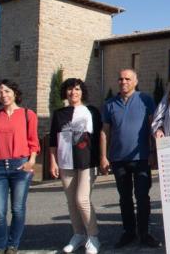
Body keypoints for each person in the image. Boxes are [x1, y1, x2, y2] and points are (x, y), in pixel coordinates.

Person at [100, 69, 161, 248]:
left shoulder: (145, 100)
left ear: (135, 81)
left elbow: (153, 126)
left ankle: (144, 233)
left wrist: (153, 152)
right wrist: (103, 156)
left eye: (127, 79)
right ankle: (129, 232)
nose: (123, 82)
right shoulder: (110, 104)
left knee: (142, 197)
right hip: (118, 159)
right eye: (120, 79)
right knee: (124, 197)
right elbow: (105, 132)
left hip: (141, 158)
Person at [0, 79, 39, 254]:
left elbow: (33, 141)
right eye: (0, 92)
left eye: (7, 91)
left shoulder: (28, 114)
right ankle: (0, 247)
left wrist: (31, 161)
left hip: (20, 166)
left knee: (18, 210)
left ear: (15, 93)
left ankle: (12, 246)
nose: (3, 95)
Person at [48, 78, 102, 254]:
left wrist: (103, 158)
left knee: (82, 199)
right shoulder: (59, 113)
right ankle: (78, 235)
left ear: (82, 92)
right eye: (70, 90)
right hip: (65, 162)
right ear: (65, 92)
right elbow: (53, 141)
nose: (73, 92)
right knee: (71, 202)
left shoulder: (91, 111)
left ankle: (93, 237)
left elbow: (100, 135)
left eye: (77, 89)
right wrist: (53, 161)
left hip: (87, 162)